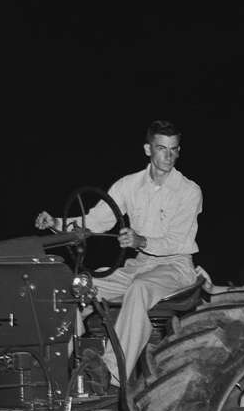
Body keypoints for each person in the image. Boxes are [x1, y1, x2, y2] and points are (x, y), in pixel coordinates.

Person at [34, 120, 202, 386]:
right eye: (162, 148)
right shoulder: (128, 185)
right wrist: (56, 223)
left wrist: (140, 239)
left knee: (139, 287)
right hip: (141, 264)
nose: (168, 156)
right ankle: (61, 366)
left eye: (174, 150)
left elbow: (176, 241)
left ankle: (111, 372)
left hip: (176, 266)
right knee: (82, 286)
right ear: (148, 149)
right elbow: (96, 221)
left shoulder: (189, 191)